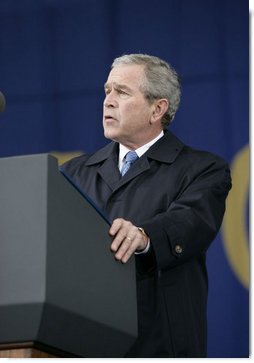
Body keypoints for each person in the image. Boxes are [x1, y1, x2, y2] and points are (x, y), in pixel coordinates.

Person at [61, 54, 232, 358]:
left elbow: (191, 222)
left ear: (157, 109)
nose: (108, 101)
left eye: (122, 92)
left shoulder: (203, 169)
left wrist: (144, 236)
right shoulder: (75, 172)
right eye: (107, 91)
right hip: (84, 342)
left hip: (158, 342)